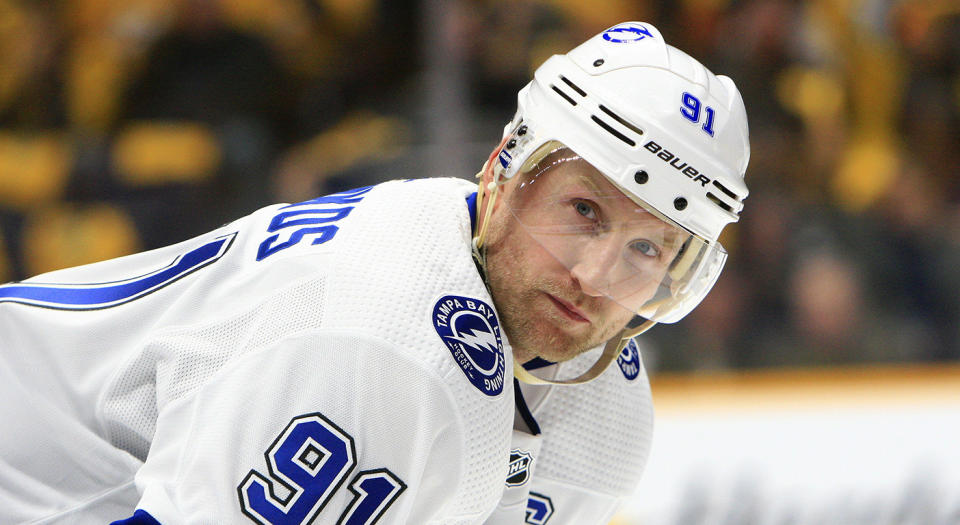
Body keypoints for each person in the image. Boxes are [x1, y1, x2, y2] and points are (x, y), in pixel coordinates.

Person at [0, 21, 749, 524]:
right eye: (583, 210)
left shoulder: (604, 420)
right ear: (502, 170)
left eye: (648, 250)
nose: (593, 274)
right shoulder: (381, 337)